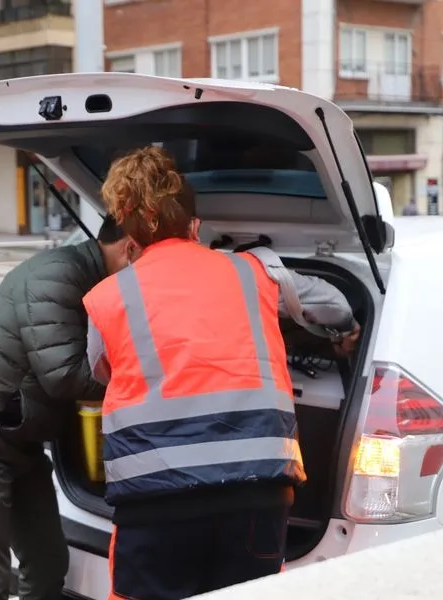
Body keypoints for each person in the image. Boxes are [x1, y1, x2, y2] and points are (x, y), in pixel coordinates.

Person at [83, 147, 360, 600]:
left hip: (156, 502)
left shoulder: (107, 297)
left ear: (131, 237)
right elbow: (333, 303)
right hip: (257, 495)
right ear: (195, 228)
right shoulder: (254, 272)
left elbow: (102, 370)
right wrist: (345, 331)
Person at [0, 216, 139, 600]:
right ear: (130, 248)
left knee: (47, 562)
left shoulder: (91, 278)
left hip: (20, 433)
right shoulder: (57, 276)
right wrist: (143, 382)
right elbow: (64, 376)